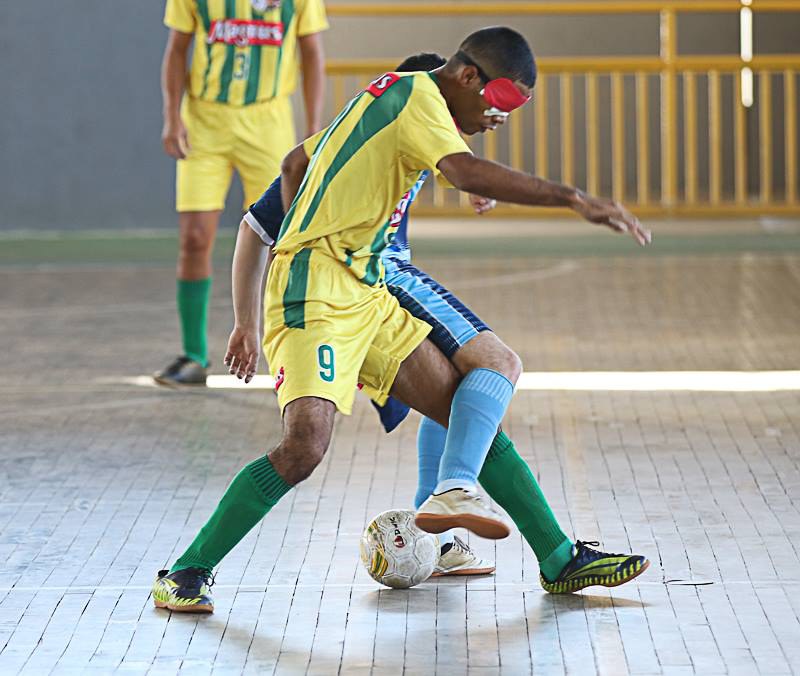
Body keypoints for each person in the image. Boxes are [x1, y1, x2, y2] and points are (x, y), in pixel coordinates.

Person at [153, 27, 651, 613]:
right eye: (504, 99)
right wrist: (572, 197)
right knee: (304, 448)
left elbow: (295, 160)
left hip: (367, 288)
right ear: (467, 77)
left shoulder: (396, 97)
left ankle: (558, 558)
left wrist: (318, 205)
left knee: (468, 407)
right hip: (313, 289)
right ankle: (185, 572)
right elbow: (465, 173)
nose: (502, 115)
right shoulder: (418, 94)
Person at [155, 0, 328, 386]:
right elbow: (177, 48)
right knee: (195, 238)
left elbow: (312, 53)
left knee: (283, 240)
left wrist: (315, 126)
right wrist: (172, 116)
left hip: (268, 122)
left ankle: (284, 350)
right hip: (205, 121)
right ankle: (194, 354)